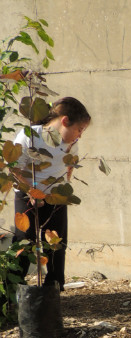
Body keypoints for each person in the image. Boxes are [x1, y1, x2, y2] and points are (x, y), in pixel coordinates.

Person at [12, 97, 91, 289]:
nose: (79, 135)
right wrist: (32, 193)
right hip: (27, 196)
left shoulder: (72, 143)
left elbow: (69, 166)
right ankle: (14, 287)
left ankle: (54, 286)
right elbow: (14, 169)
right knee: (25, 241)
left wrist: (65, 187)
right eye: (79, 129)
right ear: (64, 121)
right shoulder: (30, 135)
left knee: (56, 243)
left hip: (55, 198)